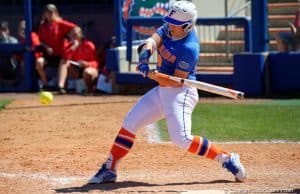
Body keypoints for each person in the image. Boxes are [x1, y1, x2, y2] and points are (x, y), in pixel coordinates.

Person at [88, 0, 246, 184]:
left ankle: (227, 158)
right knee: (130, 122)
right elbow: (152, 41)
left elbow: (174, 82)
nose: (170, 26)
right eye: (170, 22)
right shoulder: (170, 27)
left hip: (181, 92)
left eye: (175, 25)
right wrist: (145, 56)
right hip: (162, 90)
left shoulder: (189, 49)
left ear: (187, 26)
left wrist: (151, 74)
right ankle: (110, 169)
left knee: (182, 139)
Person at [37, 3, 77, 91]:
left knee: (64, 61)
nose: (50, 14)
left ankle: (60, 86)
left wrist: (74, 39)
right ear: (45, 14)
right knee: (39, 62)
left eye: (52, 12)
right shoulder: (42, 26)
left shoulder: (61, 23)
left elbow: (76, 28)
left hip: (61, 54)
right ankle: (45, 84)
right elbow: (40, 40)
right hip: (49, 54)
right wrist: (46, 47)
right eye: (48, 12)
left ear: (56, 13)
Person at [58, 27, 99, 95]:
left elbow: (96, 62)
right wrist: (74, 47)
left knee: (87, 72)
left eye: (76, 35)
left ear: (80, 35)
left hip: (88, 68)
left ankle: (89, 90)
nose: (74, 37)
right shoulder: (69, 45)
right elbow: (65, 58)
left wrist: (87, 64)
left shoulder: (89, 45)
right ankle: (62, 88)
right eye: (72, 35)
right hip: (76, 70)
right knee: (64, 62)